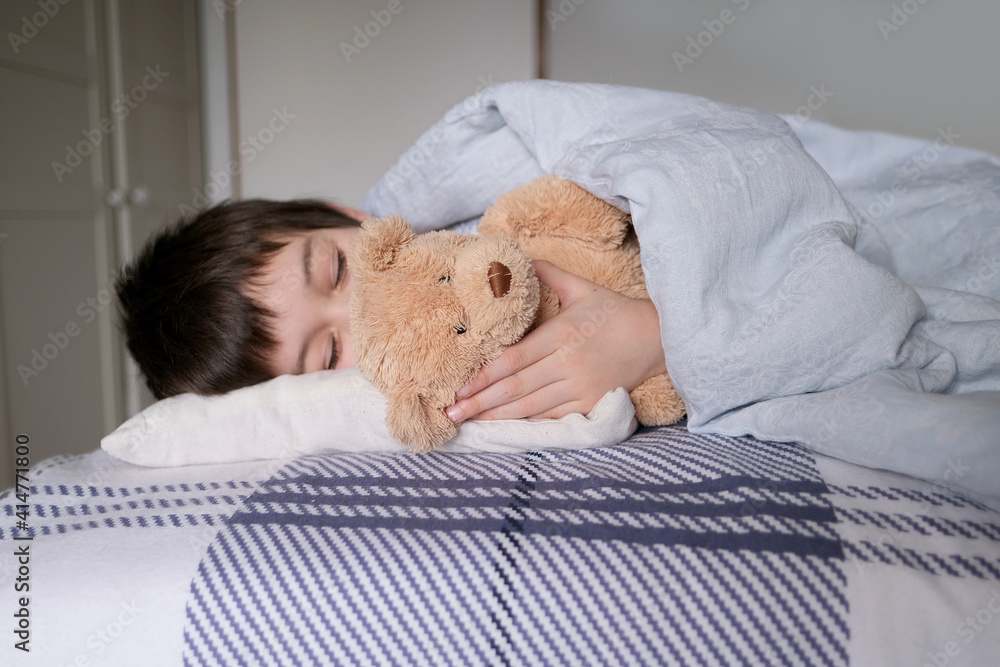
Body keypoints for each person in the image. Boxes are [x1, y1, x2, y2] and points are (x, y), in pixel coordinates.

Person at [116, 198, 668, 425]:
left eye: (336, 269)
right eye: (329, 351)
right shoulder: (444, 398)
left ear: (346, 213)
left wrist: (652, 331)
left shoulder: (501, 216)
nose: (358, 311)